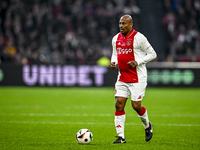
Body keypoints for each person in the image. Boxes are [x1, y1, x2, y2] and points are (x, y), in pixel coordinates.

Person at [109, 14, 157, 143]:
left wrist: (138, 61)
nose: (121, 26)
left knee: (136, 105)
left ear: (131, 25)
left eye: (124, 23)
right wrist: (113, 62)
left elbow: (153, 54)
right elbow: (115, 54)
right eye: (120, 23)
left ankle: (147, 125)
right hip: (122, 77)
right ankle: (121, 137)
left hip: (138, 77)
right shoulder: (116, 39)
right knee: (119, 104)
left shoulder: (139, 38)